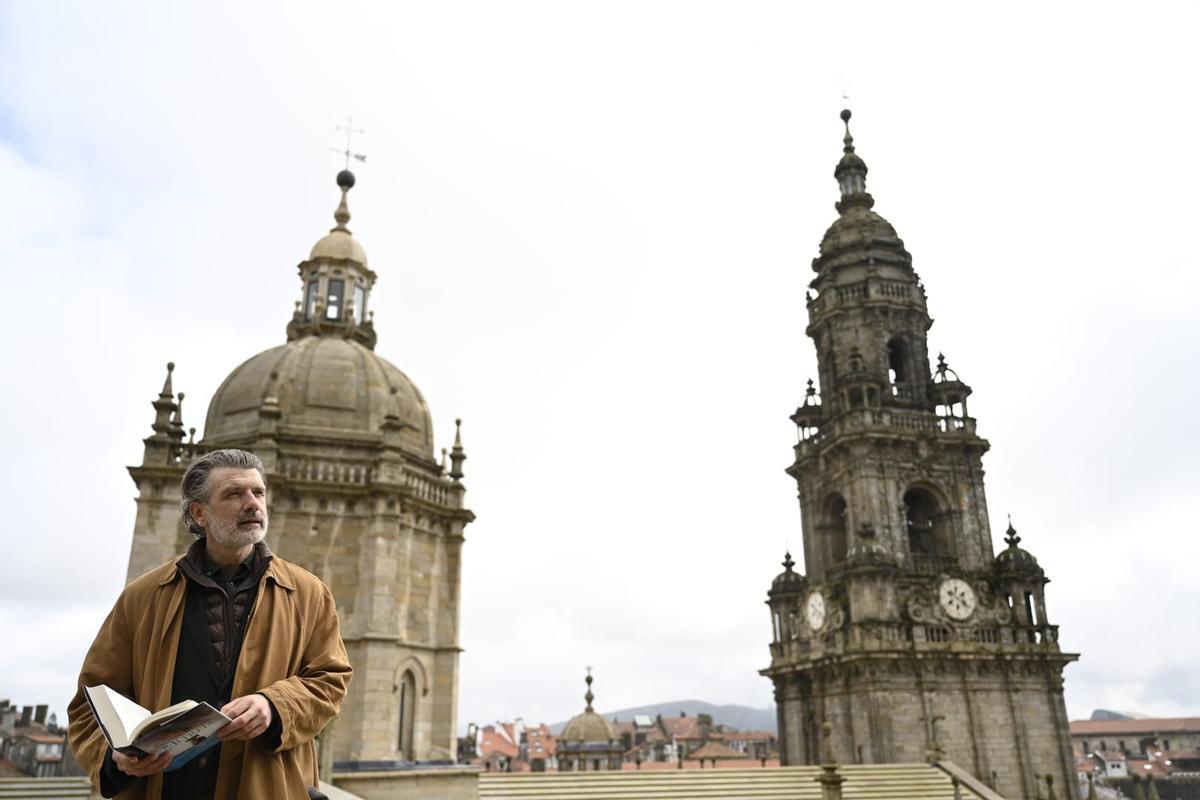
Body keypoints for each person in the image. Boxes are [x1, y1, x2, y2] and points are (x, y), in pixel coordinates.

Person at [68, 449, 353, 799]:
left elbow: (331, 679)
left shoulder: (308, 593)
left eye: (258, 492)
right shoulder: (142, 597)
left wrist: (275, 705)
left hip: (264, 788)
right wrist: (114, 759)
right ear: (198, 513)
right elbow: (91, 701)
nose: (252, 504)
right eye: (234, 494)